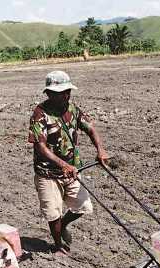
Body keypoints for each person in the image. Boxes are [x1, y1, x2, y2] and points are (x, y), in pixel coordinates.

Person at [28, 70, 109, 255]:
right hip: (48, 172)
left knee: (83, 207)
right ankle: (57, 244)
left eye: (68, 92)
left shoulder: (72, 109)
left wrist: (100, 150)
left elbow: (90, 128)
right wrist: (62, 164)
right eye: (61, 92)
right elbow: (41, 147)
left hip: (72, 169)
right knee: (53, 213)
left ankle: (64, 225)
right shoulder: (40, 114)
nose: (66, 95)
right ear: (49, 93)